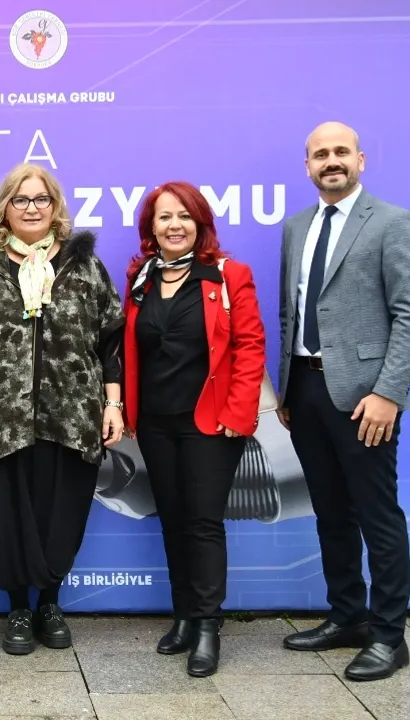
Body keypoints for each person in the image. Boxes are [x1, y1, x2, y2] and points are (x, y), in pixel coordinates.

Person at [0, 163, 125, 655]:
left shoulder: (84, 266)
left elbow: (110, 340)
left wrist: (113, 403)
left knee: (60, 513)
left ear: (55, 206)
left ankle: (51, 603)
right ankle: (18, 606)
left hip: (71, 418)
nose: (32, 208)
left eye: (42, 199)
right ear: (5, 208)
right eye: (21, 200)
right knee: (5, 514)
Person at [277, 122, 410, 682]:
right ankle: (347, 617)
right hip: (305, 392)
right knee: (331, 514)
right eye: (321, 154)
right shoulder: (297, 227)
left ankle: (389, 637)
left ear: (361, 159)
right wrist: (287, 388)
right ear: (308, 166)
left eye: (341, 152)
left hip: (366, 397)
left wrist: (389, 393)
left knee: (376, 516)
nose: (331, 161)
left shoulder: (391, 222)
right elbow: (291, 311)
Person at [121, 181, 266, 677]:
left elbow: (250, 347)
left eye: (184, 215)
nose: (174, 225)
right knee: (173, 520)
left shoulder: (227, 275)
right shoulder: (141, 277)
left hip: (210, 423)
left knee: (203, 523)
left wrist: (238, 413)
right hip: (155, 423)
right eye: (164, 217)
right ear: (151, 227)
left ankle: (207, 625)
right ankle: (183, 616)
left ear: (200, 222)